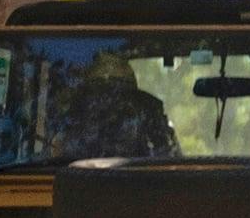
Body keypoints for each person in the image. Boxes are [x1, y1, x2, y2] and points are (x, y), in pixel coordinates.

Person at [47, 48, 177, 162]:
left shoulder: (148, 111)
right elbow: (59, 158)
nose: (109, 100)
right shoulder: (76, 113)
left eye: (117, 89)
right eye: (101, 89)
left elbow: (168, 159)